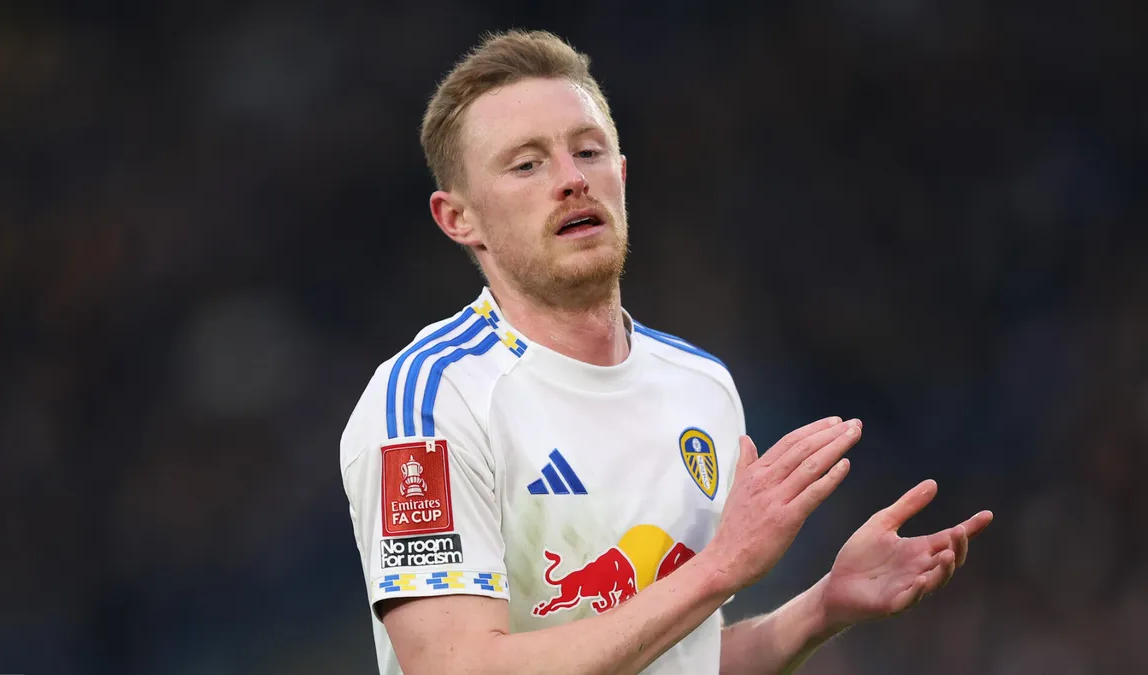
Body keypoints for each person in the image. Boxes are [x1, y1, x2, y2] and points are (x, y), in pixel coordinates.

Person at [339, 29, 993, 675]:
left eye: (588, 151)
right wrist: (720, 568)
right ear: (459, 218)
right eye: (527, 164)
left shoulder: (700, 385)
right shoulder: (430, 403)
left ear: (621, 175)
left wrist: (821, 608)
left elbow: (682, 659)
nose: (572, 179)